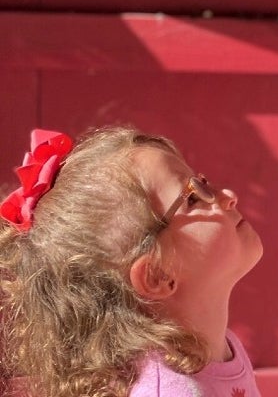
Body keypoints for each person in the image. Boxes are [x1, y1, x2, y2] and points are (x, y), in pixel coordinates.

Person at [0, 126, 264, 397]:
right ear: (157, 275)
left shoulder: (223, 349)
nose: (228, 196)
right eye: (193, 197)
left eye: (202, 182)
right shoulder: (170, 391)